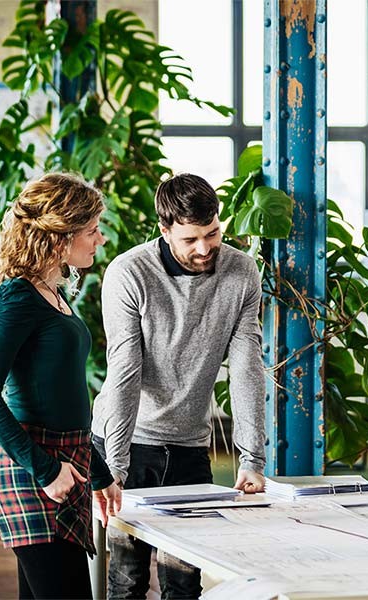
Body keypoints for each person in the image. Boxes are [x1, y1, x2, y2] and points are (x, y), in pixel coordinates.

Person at [92, 172, 267, 599]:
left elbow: (246, 365)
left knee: (185, 581)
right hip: (127, 443)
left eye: (212, 234)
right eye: (190, 239)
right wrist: (115, 464)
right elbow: (125, 369)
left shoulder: (241, 272)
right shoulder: (129, 273)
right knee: (128, 578)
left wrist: (252, 459)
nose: (205, 248)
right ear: (164, 228)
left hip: (189, 448)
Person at [0, 172, 122, 600]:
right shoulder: (17, 297)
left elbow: (63, 401)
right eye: (91, 231)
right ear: (60, 238)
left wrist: (100, 474)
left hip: (66, 465)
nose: (100, 240)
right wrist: (47, 469)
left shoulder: (52, 291)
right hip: (32, 471)